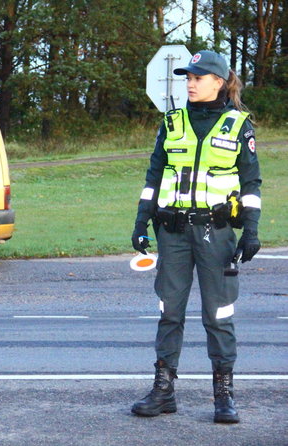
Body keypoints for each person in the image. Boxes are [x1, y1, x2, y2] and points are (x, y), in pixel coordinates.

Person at [130, 50, 261, 424]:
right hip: (171, 231)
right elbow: (153, 177)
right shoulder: (172, 122)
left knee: (218, 315)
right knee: (169, 312)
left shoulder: (238, 125)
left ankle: (224, 395)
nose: (189, 83)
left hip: (216, 233)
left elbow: (251, 183)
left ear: (218, 82)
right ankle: (163, 389)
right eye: (187, 77)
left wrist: (250, 230)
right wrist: (141, 223)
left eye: (198, 77)